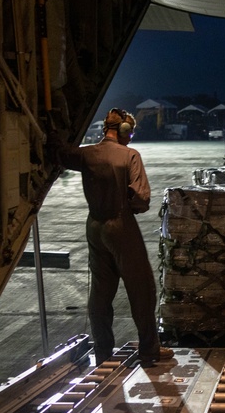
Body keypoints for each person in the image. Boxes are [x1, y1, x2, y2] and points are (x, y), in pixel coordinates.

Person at [56, 108, 173, 365]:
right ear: (122, 131)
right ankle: (149, 349)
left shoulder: (85, 154)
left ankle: (103, 352)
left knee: (100, 291)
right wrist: (132, 208)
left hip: (94, 226)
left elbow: (61, 153)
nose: (130, 137)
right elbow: (141, 198)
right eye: (130, 132)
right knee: (142, 289)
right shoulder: (130, 155)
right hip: (120, 224)